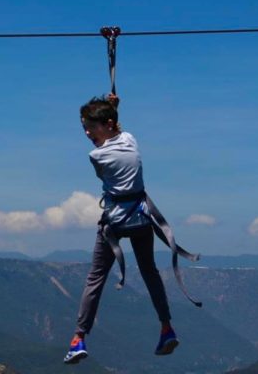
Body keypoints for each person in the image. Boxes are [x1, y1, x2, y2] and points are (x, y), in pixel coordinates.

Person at [64, 94, 178, 364]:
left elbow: (107, 159)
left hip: (114, 222)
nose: (88, 133)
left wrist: (113, 109)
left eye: (90, 127)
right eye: (85, 128)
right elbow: (119, 132)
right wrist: (113, 109)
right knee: (149, 272)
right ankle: (166, 327)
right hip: (141, 219)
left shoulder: (97, 156)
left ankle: (79, 337)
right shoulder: (131, 141)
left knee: (96, 278)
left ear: (106, 124)